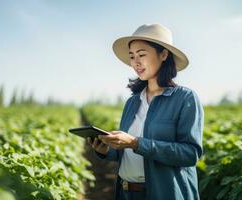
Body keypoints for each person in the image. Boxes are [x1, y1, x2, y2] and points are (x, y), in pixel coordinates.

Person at [87, 23, 204, 200]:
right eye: (132, 56)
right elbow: (126, 155)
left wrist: (136, 143)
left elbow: (190, 154)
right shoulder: (132, 102)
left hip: (164, 194)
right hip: (126, 193)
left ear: (163, 54)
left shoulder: (185, 98)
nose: (136, 62)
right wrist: (105, 150)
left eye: (142, 55)